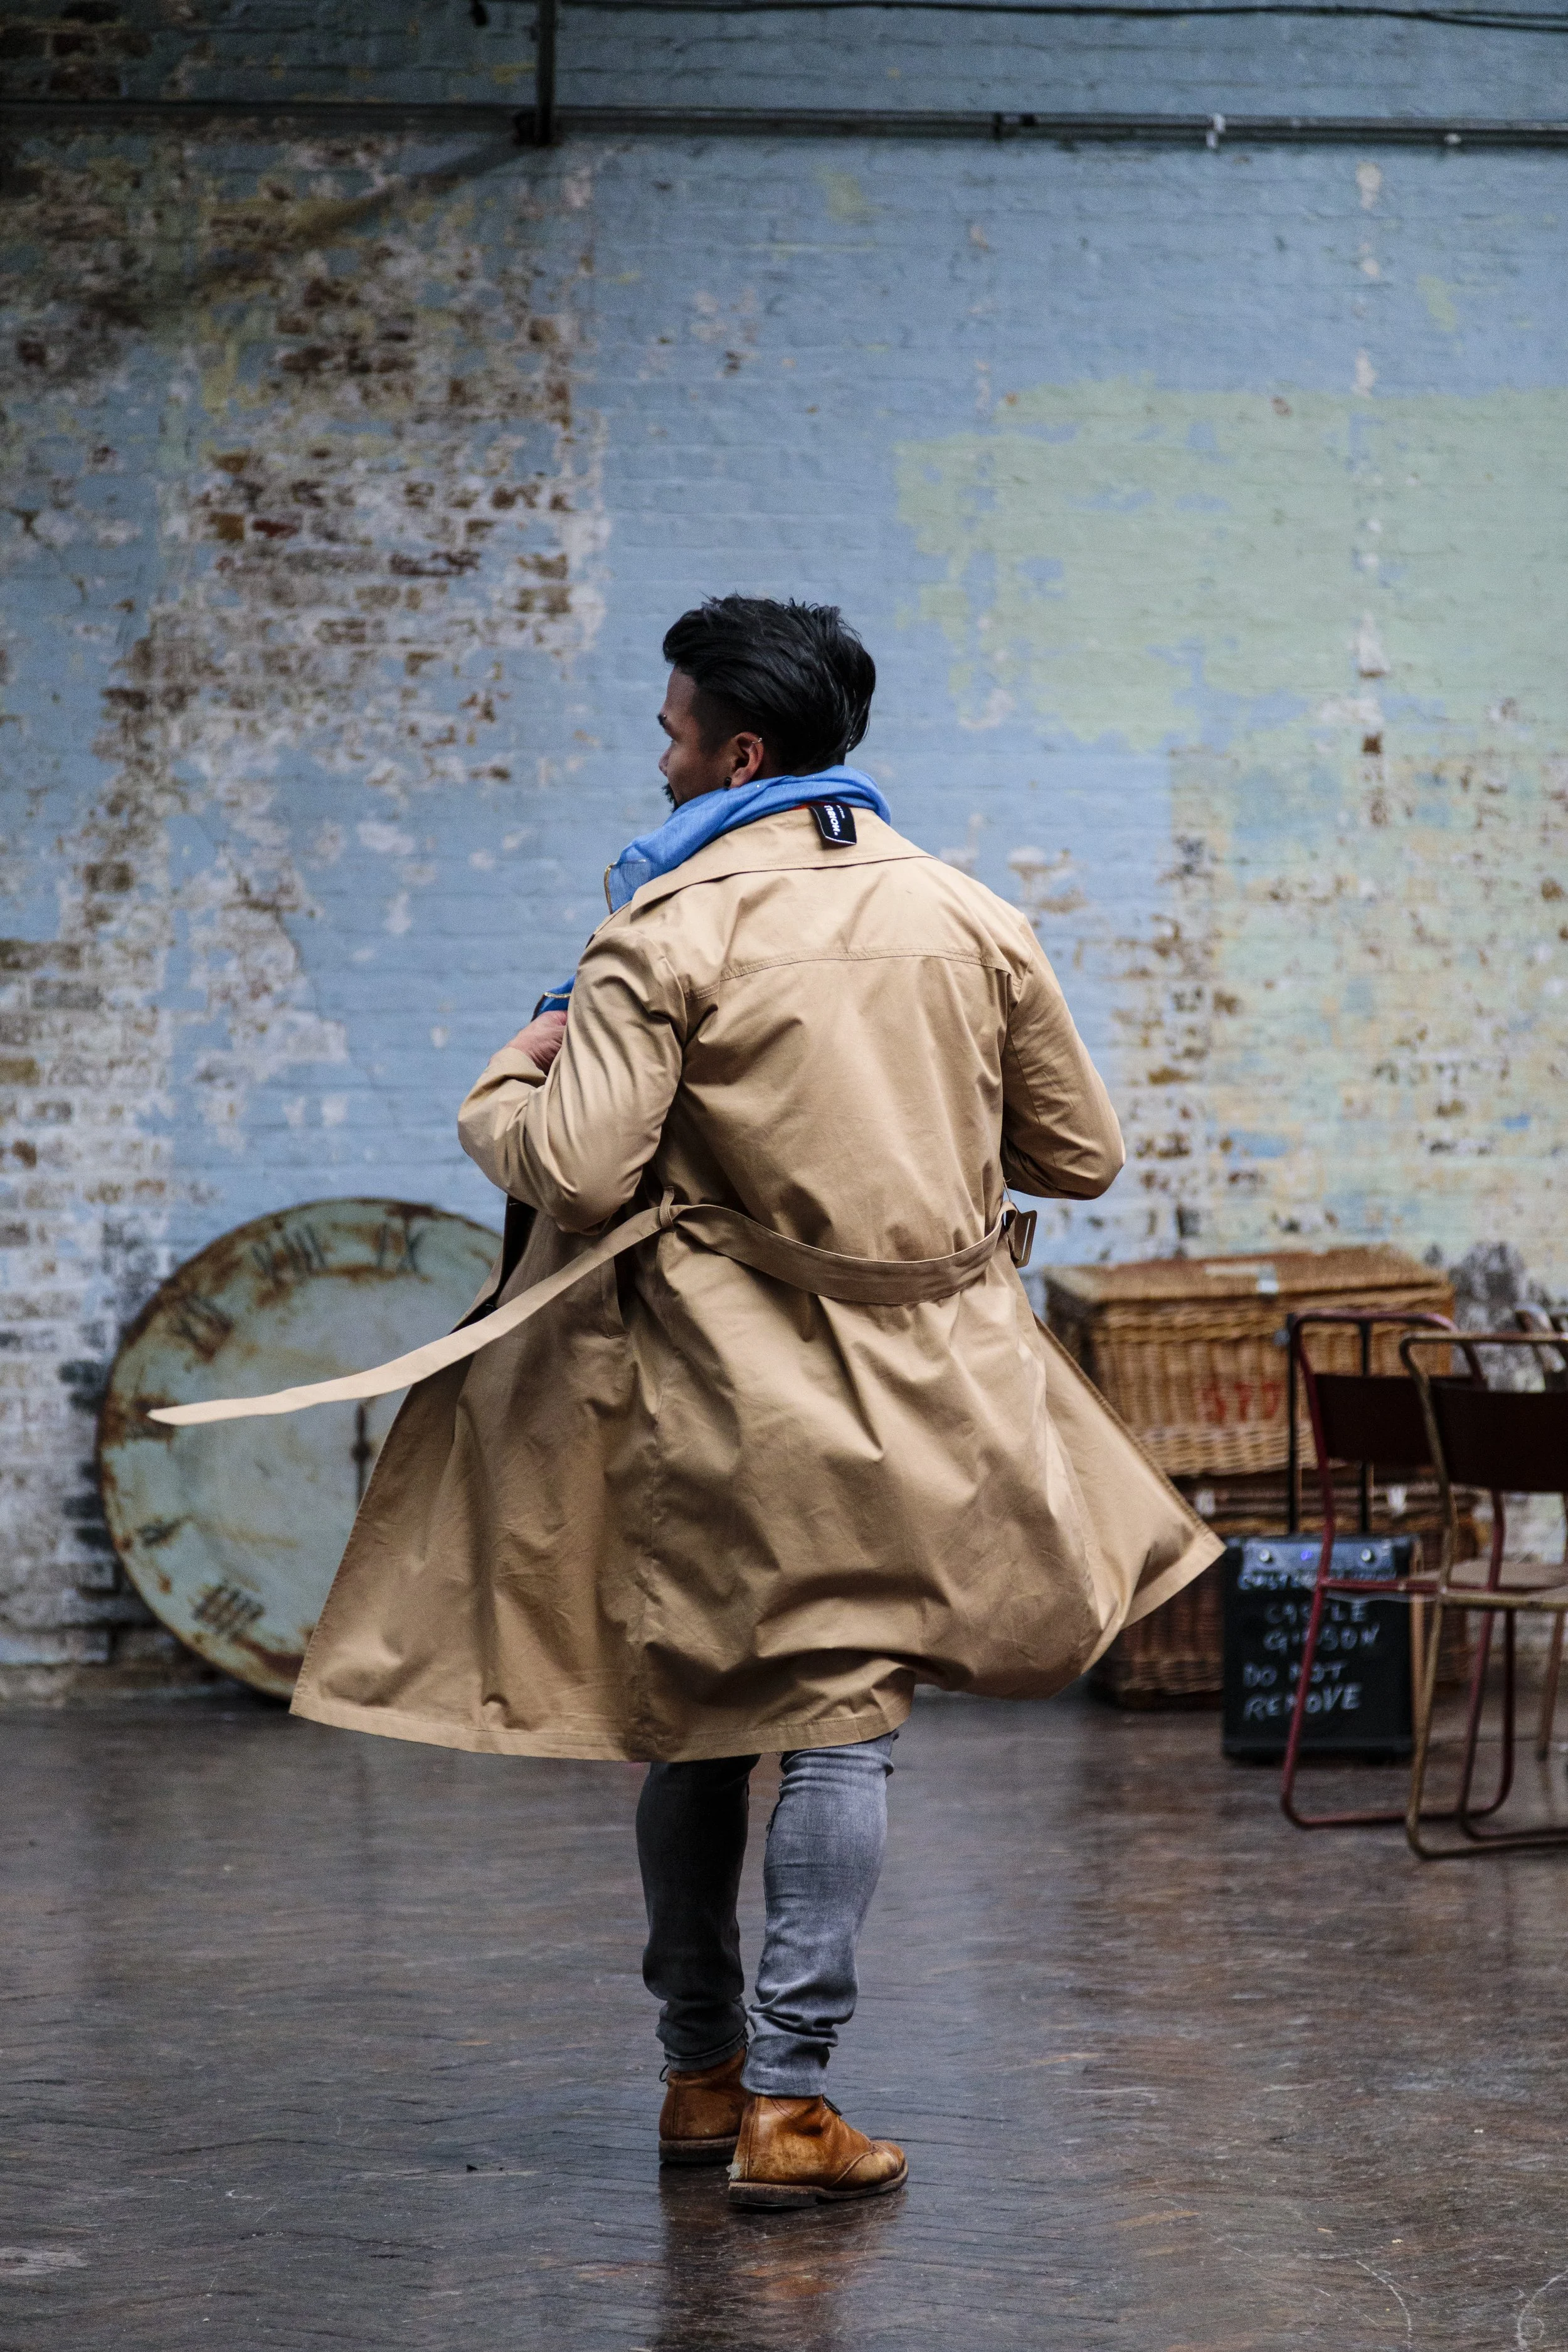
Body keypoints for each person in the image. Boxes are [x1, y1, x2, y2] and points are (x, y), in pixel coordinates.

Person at [287, 595, 1219, 2210]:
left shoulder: (661, 930)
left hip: (720, 1396)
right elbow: (1078, 1156)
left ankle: (711, 2083)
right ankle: (789, 2105)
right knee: (842, 1723)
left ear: (738, 753)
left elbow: (578, 1170)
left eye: (669, 733)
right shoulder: (969, 914)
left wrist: (504, 1080)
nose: (655, 761)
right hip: (927, 1386)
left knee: (705, 1727)